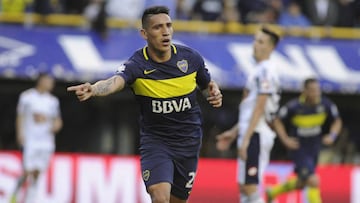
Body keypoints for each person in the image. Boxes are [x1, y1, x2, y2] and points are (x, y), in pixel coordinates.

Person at [67, 6, 222, 203]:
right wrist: (95, 89)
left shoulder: (190, 59)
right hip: (157, 143)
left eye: (168, 26)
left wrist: (213, 93)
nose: (165, 32)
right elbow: (115, 81)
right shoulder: (138, 65)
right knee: (159, 196)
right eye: (157, 27)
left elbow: (206, 86)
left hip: (189, 143)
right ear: (144, 33)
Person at [216, 27, 281, 203]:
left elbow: (260, 106)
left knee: (250, 186)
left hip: (256, 134)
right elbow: (251, 108)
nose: (255, 45)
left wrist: (246, 138)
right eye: (255, 40)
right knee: (244, 187)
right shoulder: (257, 70)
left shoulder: (266, 70)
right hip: (250, 133)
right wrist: (234, 132)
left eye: (260, 42)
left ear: (271, 48)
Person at [266, 78, 342, 203]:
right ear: (304, 91)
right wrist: (285, 139)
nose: (316, 93)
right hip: (299, 149)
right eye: (312, 90)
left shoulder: (325, 104)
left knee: (303, 182)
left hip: (314, 148)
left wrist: (332, 136)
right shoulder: (294, 106)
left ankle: (273, 192)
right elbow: (277, 121)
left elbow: (337, 121)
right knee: (313, 180)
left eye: (317, 90)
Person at [11, 73, 63, 203]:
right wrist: (20, 134)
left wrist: (56, 126)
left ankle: (30, 199)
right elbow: (20, 116)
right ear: (41, 81)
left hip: (46, 142)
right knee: (27, 171)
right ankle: (14, 195)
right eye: (49, 81)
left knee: (37, 172)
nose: (51, 84)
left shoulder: (53, 101)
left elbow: (58, 120)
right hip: (30, 140)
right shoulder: (27, 97)